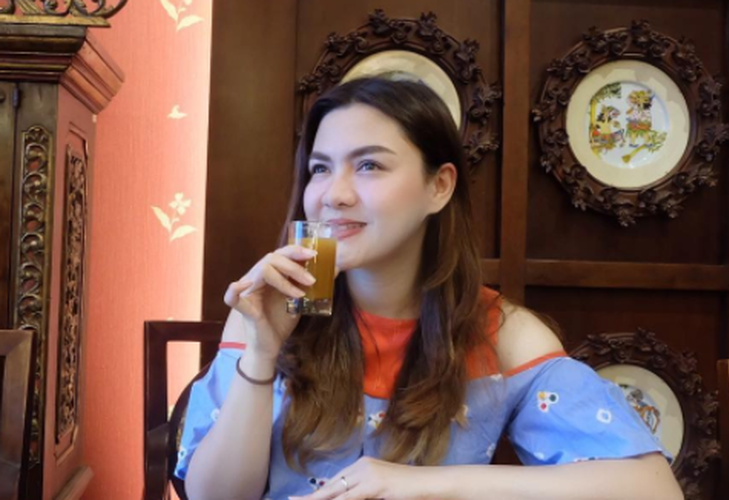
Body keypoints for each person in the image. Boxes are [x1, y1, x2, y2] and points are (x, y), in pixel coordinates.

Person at [175, 78, 683, 500]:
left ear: (439, 186)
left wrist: (423, 485)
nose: (334, 194)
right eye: (320, 168)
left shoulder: (502, 334)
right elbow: (213, 497)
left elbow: (651, 489)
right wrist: (262, 353)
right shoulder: (271, 308)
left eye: (369, 165)